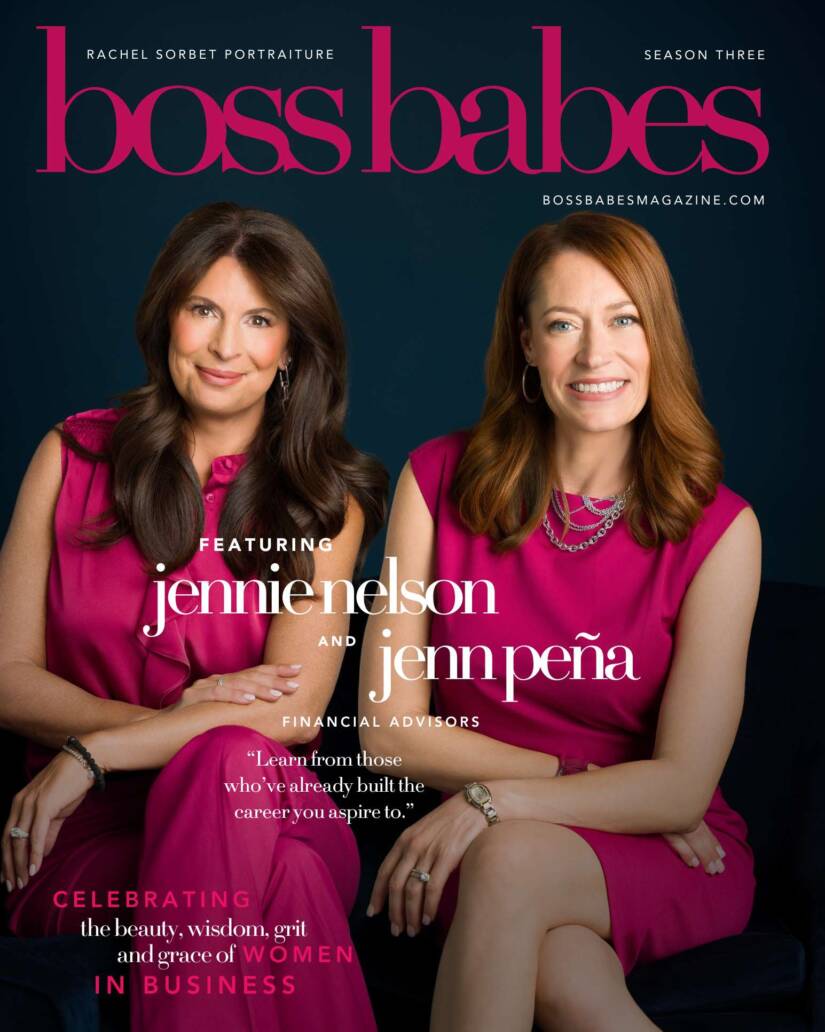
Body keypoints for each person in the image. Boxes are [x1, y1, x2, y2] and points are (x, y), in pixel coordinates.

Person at [358, 212, 760, 1031]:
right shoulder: (433, 481)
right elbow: (388, 732)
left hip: (669, 850)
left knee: (507, 858)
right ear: (526, 347)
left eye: (622, 320)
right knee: (567, 980)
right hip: (489, 830)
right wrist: (525, 795)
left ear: (657, 339)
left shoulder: (722, 528)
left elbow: (681, 790)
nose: (594, 354)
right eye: (562, 324)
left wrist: (494, 799)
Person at [0, 202, 385, 1032]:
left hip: (261, 800)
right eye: (203, 309)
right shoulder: (69, 456)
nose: (223, 346)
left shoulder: (325, 503)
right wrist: (175, 718)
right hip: (90, 839)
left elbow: (290, 711)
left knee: (230, 765)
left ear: (291, 346)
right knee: (290, 888)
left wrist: (96, 749)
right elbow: (6, 678)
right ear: (166, 314)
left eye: (258, 319)